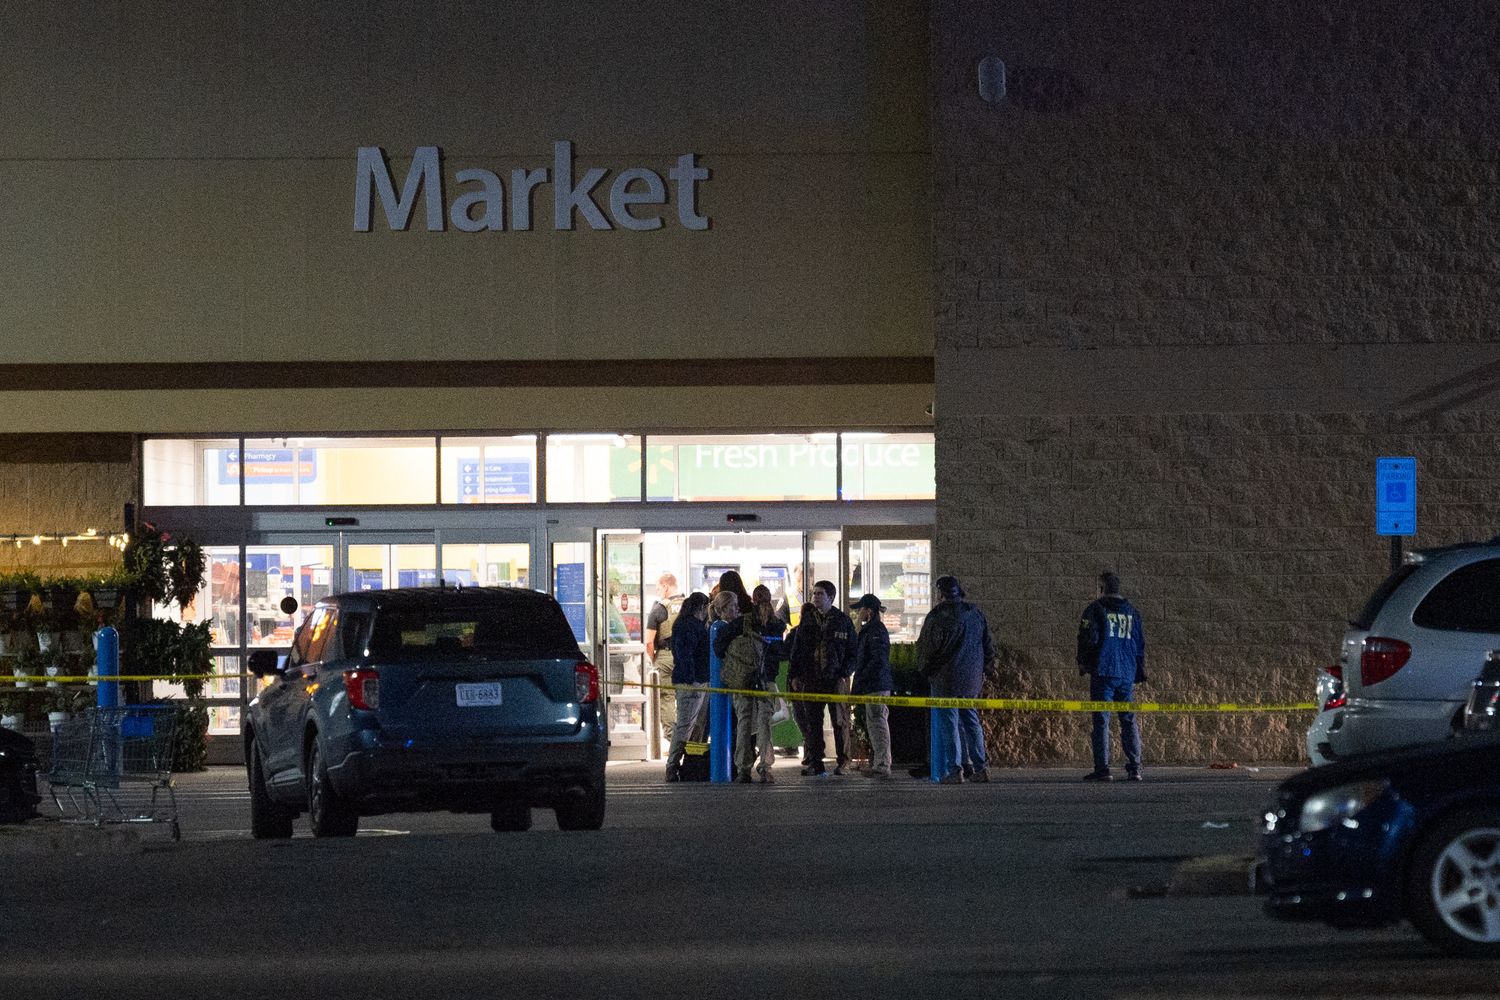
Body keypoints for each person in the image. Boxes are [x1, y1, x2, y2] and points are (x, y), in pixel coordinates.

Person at [916, 574, 996, 784]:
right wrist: (984, 670)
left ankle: (955, 769)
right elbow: (988, 646)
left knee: (949, 723)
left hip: (945, 679)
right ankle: (981, 767)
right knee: (971, 721)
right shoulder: (975, 614)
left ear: (940, 594)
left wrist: (925, 671)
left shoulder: (937, 617)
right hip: (971, 680)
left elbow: (926, 650)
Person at [1076, 571, 1146, 781]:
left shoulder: (1095, 609)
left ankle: (1103, 768)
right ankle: (1135, 767)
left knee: (1101, 720)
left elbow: (1088, 639)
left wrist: (1084, 663)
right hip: (1126, 672)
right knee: (1128, 719)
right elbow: (1139, 644)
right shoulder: (1132, 612)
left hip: (1104, 671)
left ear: (1102, 588)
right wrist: (1138, 670)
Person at [786, 580, 856, 776]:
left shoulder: (842, 621)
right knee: (813, 722)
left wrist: (844, 673)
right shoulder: (807, 621)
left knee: (839, 721)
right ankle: (816, 762)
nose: (815, 596)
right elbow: (797, 650)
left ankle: (843, 761)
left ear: (831, 597)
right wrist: (795, 675)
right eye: (814, 593)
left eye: (820, 594)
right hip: (811, 678)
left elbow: (853, 651)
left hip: (835, 679)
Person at [712, 590, 777, 783]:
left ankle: (743, 769)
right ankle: (765, 766)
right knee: (765, 721)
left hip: (742, 679)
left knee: (744, 721)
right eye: (734, 606)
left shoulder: (736, 625)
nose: (737, 609)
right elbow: (779, 650)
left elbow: (718, 649)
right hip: (765, 678)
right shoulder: (773, 623)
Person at [664, 592, 711, 782]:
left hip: (693, 681)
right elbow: (687, 655)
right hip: (693, 682)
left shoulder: (683, 624)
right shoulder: (693, 626)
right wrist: (692, 679)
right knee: (686, 725)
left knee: (690, 725)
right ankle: (673, 764)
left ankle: (686, 764)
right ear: (702, 607)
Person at [850, 592, 893, 778]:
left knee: (878, 724)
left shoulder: (876, 631)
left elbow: (876, 660)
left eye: (860, 611)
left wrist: (862, 680)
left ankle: (882, 765)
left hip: (875, 684)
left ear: (868, 611)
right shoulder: (871, 630)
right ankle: (879, 763)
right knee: (875, 724)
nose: (857, 614)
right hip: (872, 684)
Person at [644, 573, 686, 747]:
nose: (658, 591)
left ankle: (672, 737)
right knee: (686, 697)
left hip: (666, 655)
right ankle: (687, 735)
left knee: (667, 697)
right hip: (685, 655)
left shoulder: (659, 609)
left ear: (666, 586)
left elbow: (648, 641)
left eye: (659, 588)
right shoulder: (688, 604)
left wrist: (655, 658)